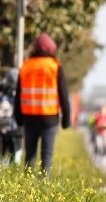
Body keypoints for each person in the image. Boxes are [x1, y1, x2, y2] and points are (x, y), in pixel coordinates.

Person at [13, 32, 72, 175]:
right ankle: (44, 186)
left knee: (30, 156)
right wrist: (66, 120)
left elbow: (18, 95)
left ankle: (26, 188)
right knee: (46, 156)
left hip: (29, 117)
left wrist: (18, 119)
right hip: (49, 118)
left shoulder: (26, 66)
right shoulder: (55, 66)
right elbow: (64, 95)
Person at [0, 69, 23, 166]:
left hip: (13, 130)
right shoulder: (21, 92)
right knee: (14, 159)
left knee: (14, 158)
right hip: (12, 130)